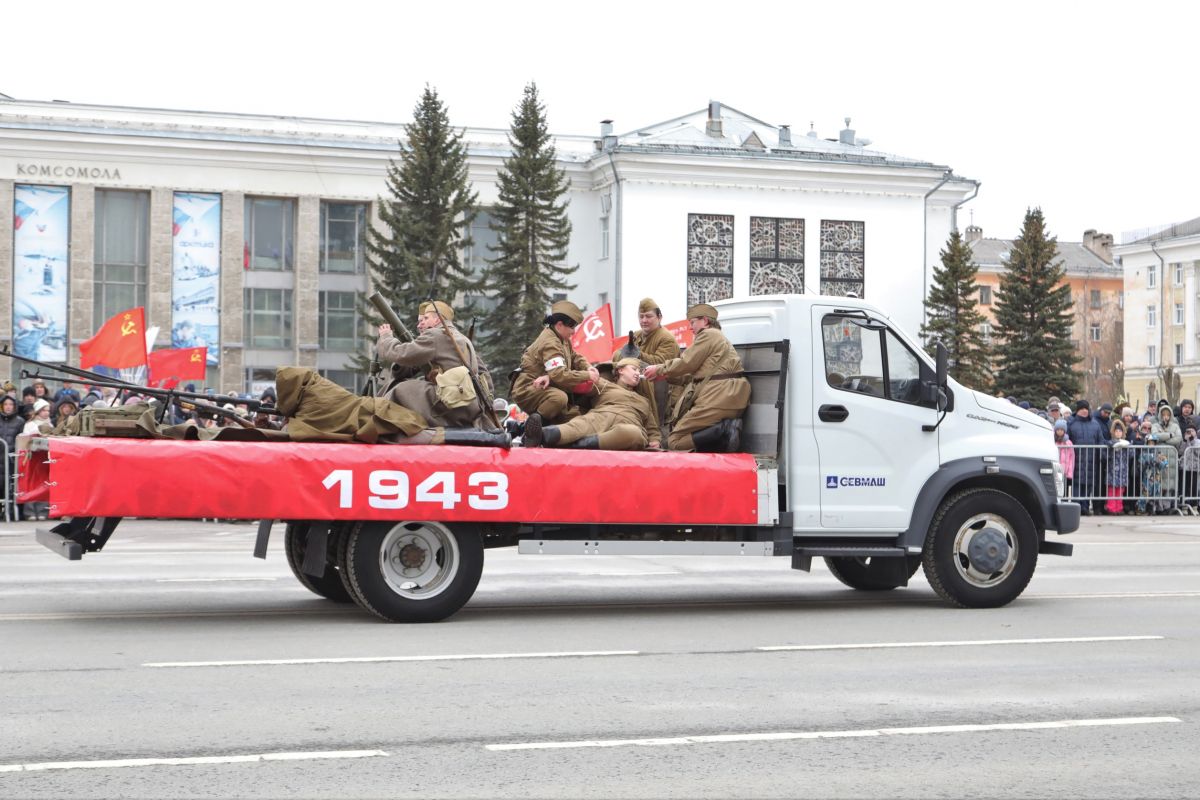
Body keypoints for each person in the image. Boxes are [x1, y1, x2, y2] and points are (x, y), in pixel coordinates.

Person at [644, 303, 751, 452]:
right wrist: (666, 377)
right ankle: (723, 435)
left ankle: (724, 430)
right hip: (728, 396)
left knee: (674, 440)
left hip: (718, 396)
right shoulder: (718, 339)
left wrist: (659, 369)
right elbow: (694, 376)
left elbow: (686, 362)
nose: (690, 327)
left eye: (693, 322)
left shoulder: (708, 334)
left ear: (705, 321)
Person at [377, 300, 495, 430]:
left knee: (401, 389)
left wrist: (386, 337)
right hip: (470, 407)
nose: (420, 324)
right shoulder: (462, 338)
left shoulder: (436, 335)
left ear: (438, 319)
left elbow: (399, 353)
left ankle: (376, 421)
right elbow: (485, 376)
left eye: (426, 318)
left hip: (451, 404)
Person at [523, 358, 659, 450]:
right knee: (578, 426)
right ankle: (538, 435)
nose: (637, 374)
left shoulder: (644, 401)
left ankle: (578, 445)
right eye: (634, 369)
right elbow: (576, 381)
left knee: (634, 435)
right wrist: (550, 377)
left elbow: (652, 428)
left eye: (639, 371)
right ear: (620, 370)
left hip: (629, 425)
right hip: (601, 416)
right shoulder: (604, 384)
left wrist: (655, 440)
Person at [511, 300, 596, 424]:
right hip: (529, 388)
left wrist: (588, 367)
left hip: (548, 387)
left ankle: (546, 430)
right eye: (571, 327)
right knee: (559, 398)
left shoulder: (562, 338)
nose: (573, 331)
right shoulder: (550, 342)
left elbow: (574, 356)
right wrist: (587, 376)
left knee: (578, 419)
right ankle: (530, 429)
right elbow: (559, 375)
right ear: (559, 325)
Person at [613, 297, 682, 429]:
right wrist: (627, 354)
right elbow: (618, 355)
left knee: (656, 429)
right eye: (641, 316)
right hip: (640, 391)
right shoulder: (637, 335)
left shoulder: (667, 339)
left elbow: (661, 366)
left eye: (649, 316)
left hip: (660, 395)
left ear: (659, 317)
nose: (644, 320)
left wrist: (636, 355)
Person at [1066, 399, 1105, 515]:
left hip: (1091, 460)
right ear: (1077, 410)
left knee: (1088, 485)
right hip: (1076, 460)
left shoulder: (1095, 424)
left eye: (1086, 409)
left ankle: (1085, 507)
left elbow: (1100, 440)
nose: (1084, 411)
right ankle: (1076, 507)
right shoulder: (1071, 423)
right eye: (1082, 409)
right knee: (1077, 484)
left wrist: (1102, 453)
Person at [1106, 418, 1131, 514]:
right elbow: (1106, 455)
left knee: (1120, 491)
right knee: (1111, 491)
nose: (1118, 433)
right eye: (1116, 431)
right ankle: (1111, 508)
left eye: (1120, 431)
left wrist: (1128, 446)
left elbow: (1131, 455)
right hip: (1112, 471)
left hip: (1122, 472)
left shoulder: (1126, 444)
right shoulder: (1110, 443)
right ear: (1113, 432)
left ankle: (1119, 508)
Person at [1054, 419, 1074, 500]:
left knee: (1064, 490)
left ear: (1064, 431)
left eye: (1061, 430)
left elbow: (1071, 457)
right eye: (1058, 429)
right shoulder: (1052, 441)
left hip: (1065, 471)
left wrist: (1069, 472)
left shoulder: (1068, 443)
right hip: (1055, 469)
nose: (1059, 431)